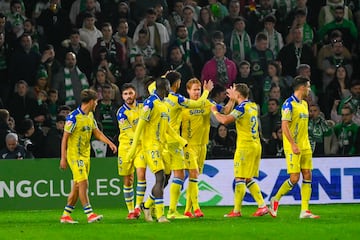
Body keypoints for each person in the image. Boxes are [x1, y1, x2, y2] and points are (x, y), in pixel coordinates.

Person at [126, 78, 186, 223]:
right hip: (150, 146)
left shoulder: (164, 105)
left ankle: (146, 205)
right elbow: (141, 124)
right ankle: (160, 215)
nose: (170, 91)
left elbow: (167, 128)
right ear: (164, 87)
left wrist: (180, 140)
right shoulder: (150, 103)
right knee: (159, 178)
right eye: (168, 88)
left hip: (162, 146)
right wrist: (134, 148)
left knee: (165, 178)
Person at [59, 89, 117, 224]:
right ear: (91, 101)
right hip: (74, 156)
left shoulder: (90, 116)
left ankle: (65, 215)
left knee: (77, 186)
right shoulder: (73, 117)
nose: (97, 104)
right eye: (96, 101)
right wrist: (63, 157)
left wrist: (110, 143)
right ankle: (89, 213)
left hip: (86, 156)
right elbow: (65, 139)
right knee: (84, 182)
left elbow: (97, 133)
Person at [211, 83, 269, 218]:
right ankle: (262, 206)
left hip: (245, 147)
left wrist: (214, 110)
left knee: (240, 178)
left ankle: (236, 211)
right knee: (248, 177)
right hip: (256, 145)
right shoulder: (253, 106)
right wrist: (232, 100)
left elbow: (224, 120)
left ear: (238, 95)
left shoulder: (242, 108)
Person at [268, 76, 320, 219]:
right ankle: (275, 199)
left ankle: (305, 210)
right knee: (295, 178)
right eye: (308, 86)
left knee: (308, 174)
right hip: (293, 146)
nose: (309, 89)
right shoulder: (288, 104)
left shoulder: (304, 104)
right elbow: (284, 125)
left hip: (305, 145)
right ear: (302, 87)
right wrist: (292, 144)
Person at [164, 72, 213, 219]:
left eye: (199, 89)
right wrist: (207, 91)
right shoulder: (180, 101)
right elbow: (197, 104)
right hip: (181, 143)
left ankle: (153, 206)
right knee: (183, 175)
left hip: (177, 142)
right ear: (180, 85)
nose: (197, 92)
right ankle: (177, 210)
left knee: (166, 176)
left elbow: (221, 113)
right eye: (195, 89)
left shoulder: (160, 96)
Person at [116, 83, 146, 220]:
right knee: (128, 180)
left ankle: (137, 207)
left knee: (141, 174)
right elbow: (129, 133)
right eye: (126, 94)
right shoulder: (121, 113)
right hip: (126, 148)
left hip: (140, 147)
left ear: (135, 94)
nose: (128, 96)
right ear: (122, 96)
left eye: (130, 93)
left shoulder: (143, 107)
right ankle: (130, 210)